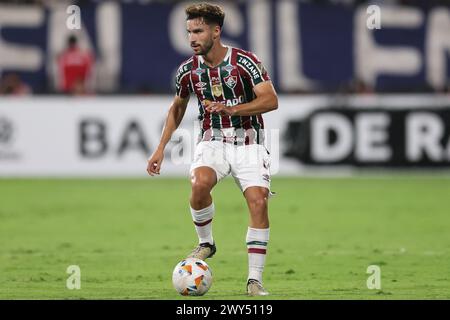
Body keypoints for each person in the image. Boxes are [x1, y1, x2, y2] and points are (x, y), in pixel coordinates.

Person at [146, 3, 278, 296]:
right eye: (189, 31)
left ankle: (254, 280)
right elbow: (177, 108)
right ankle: (206, 243)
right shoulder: (187, 71)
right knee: (199, 184)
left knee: (258, 202)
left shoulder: (245, 62)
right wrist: (160, 148)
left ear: (216, 31)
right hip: (212, 141)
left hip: (249, 142)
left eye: (198, 31)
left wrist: (233, 109)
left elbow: (270, 100)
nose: (192, 38)